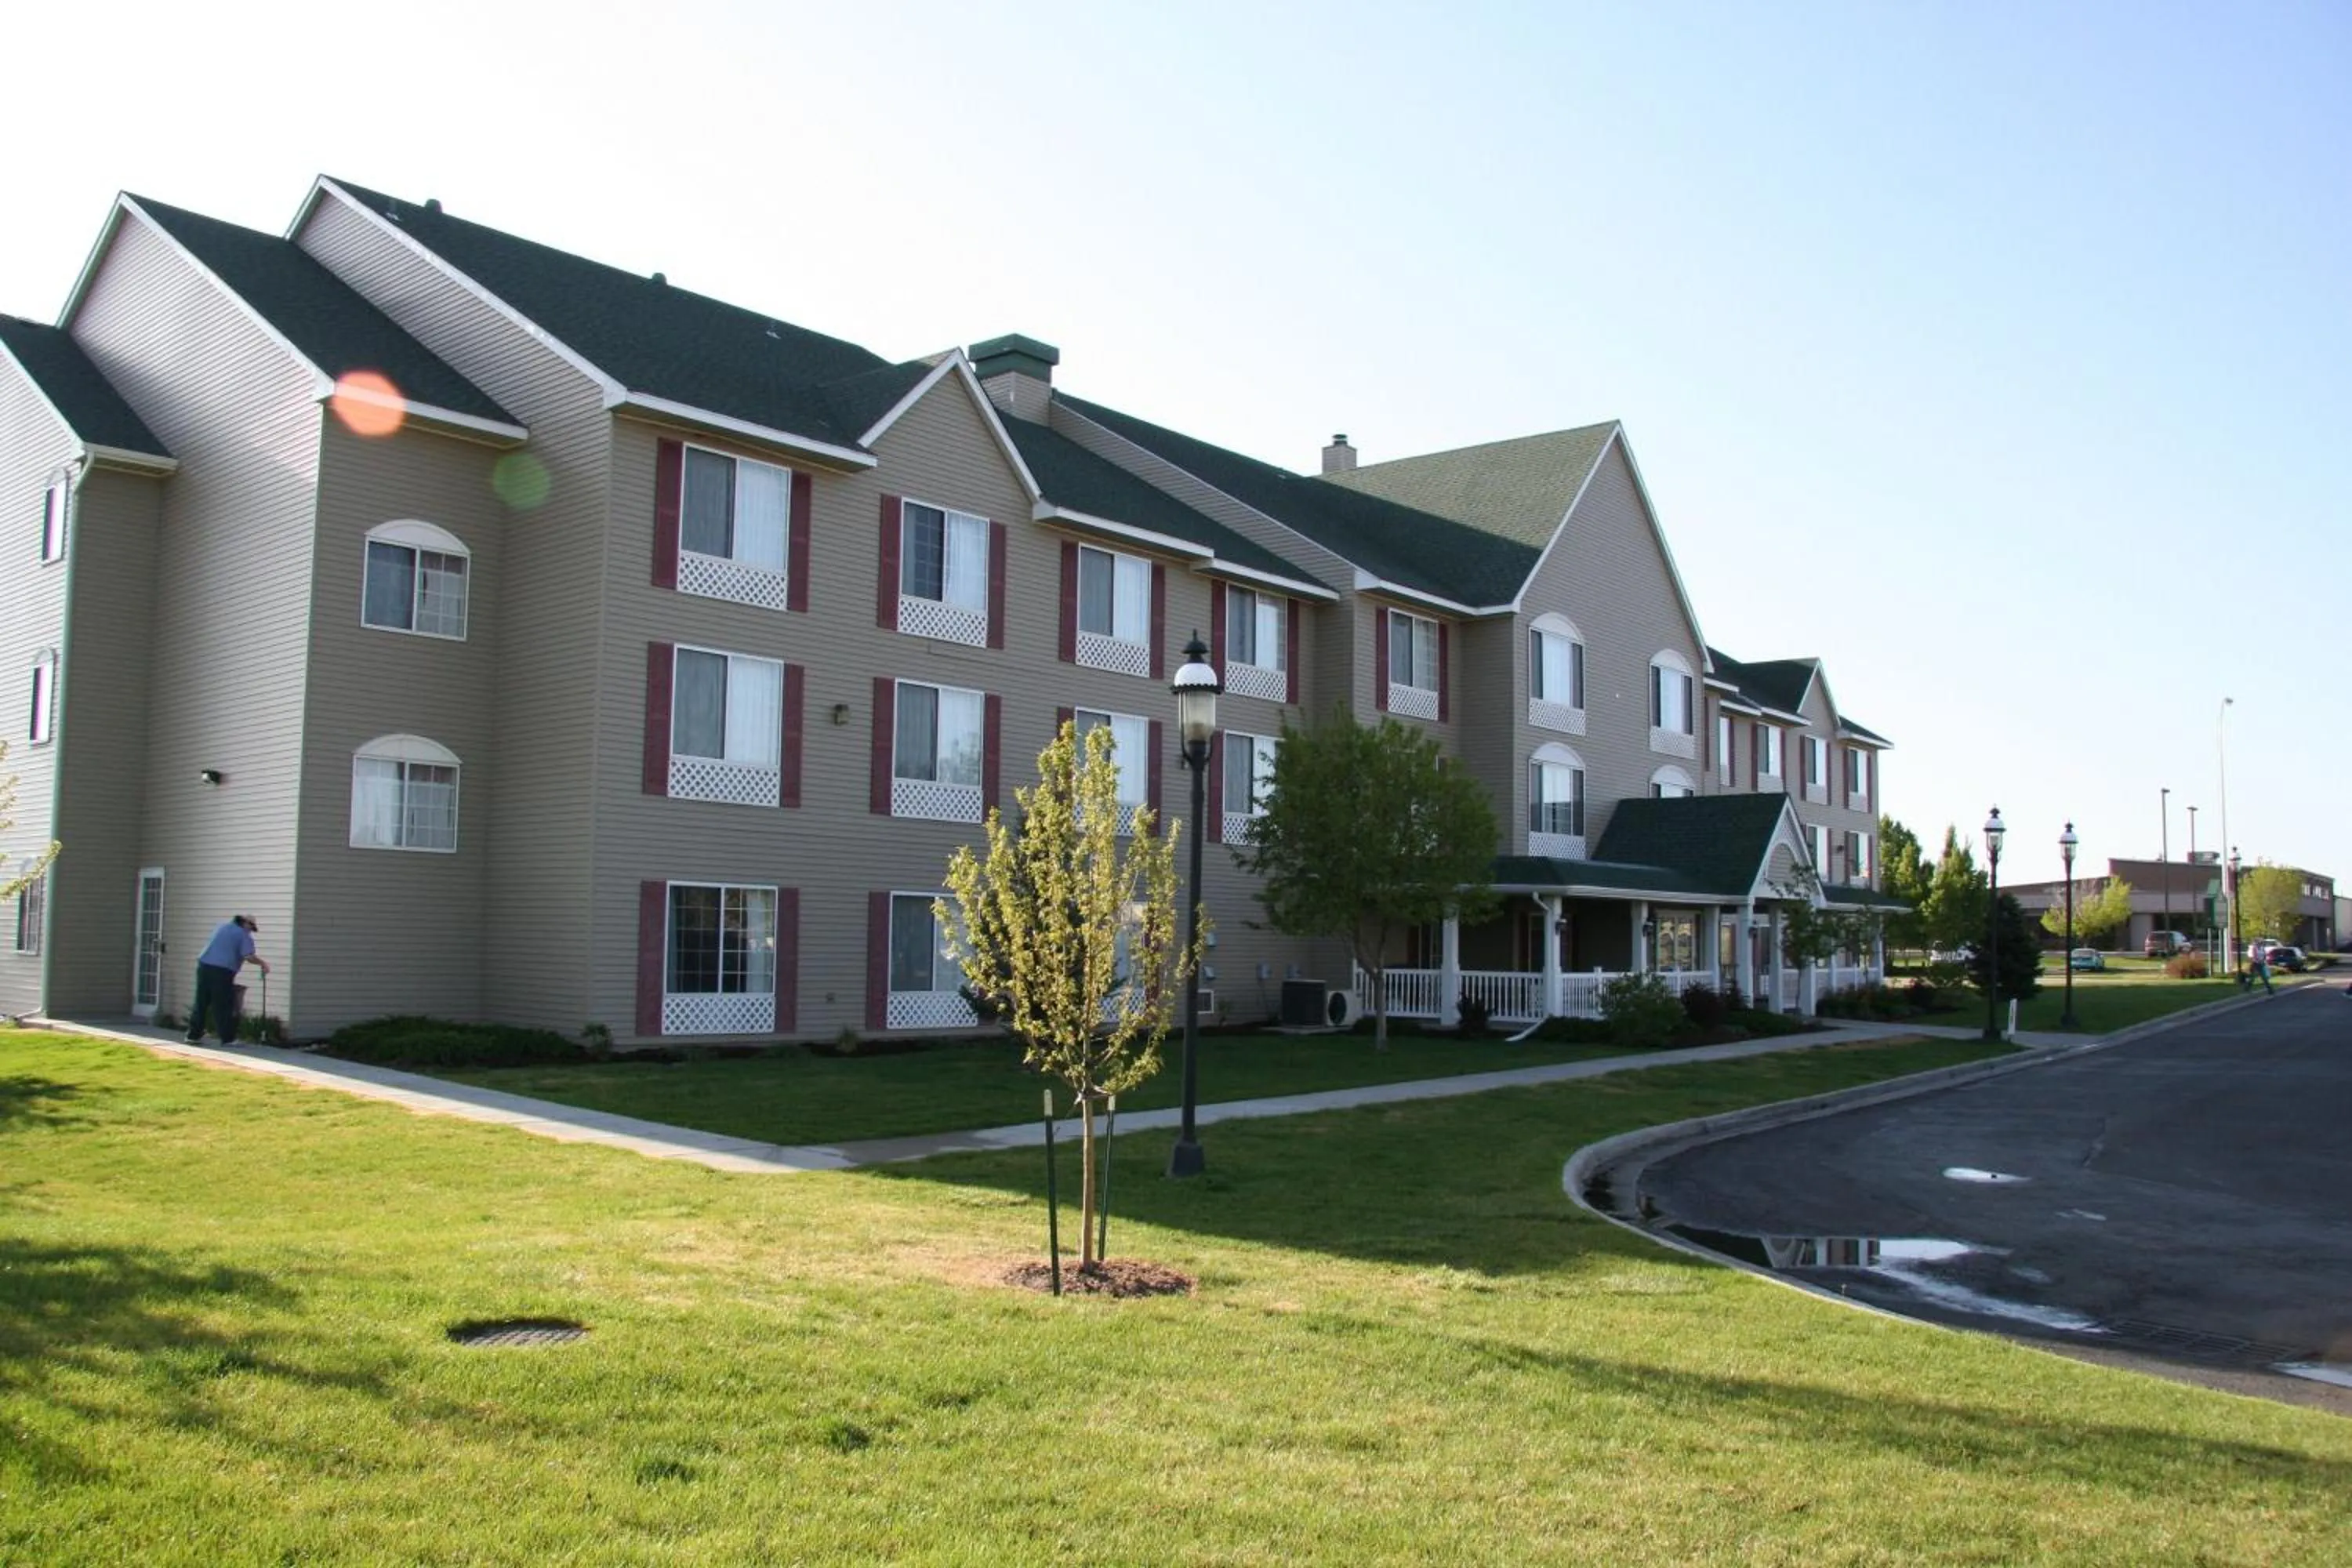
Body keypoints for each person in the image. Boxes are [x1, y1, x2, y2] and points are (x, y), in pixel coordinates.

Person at [184, 914, 268, 1044]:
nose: (251, 931)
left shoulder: (221, 927)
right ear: (246, 923)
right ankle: (228, 1038)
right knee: (223, 1004)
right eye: (251, 927)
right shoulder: (243, 935)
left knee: (201, 1001)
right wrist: (263, 964)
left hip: (204, 965)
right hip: (222, 971)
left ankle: (193, 1035)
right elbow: (249, 956)